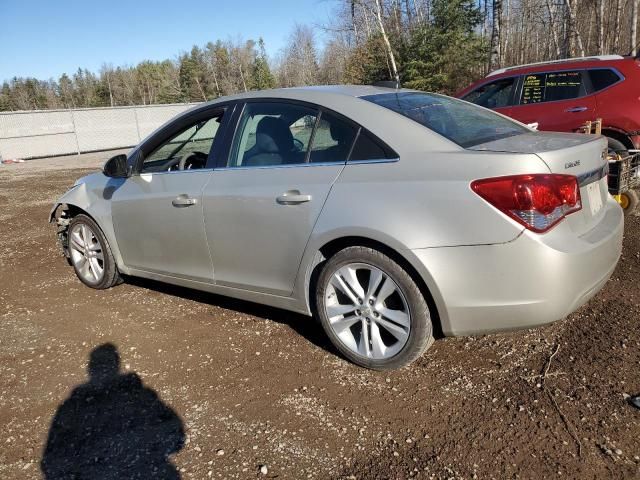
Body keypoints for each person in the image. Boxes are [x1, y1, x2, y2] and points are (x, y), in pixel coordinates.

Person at [41, 343, 184, 479]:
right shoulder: (142, 397)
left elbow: (52, 463)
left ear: (91, 368)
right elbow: (177, 436)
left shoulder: (73, 408)